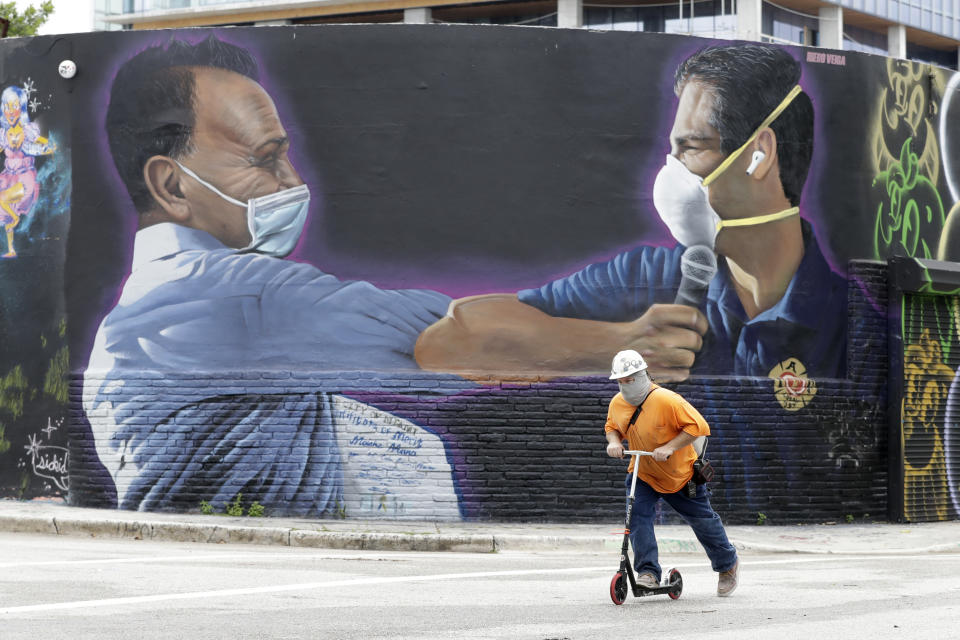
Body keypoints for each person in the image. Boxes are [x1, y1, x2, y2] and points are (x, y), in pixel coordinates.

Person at [82, 36, 460, 519]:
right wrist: (576, 314)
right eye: (265, 159)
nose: (293, 182)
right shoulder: (224, 296)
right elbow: (461, 337)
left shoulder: (142, 310)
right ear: (172, 185)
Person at [415, 43, 846, 383]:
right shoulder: (650, 278)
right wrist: (620, 346)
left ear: (760, 154)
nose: (669, 173)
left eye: (691, 148)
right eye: (671, 151)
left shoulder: (854, 325)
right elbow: (446, 342)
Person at [604, 349, 739, 596]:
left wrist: (669, 447)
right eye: (620, 381)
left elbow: (698, 427)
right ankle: (648, 573)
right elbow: (612, 426)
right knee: (637, 520)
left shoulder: (668, 400)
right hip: (643, 473)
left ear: (643, 375)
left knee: (703, 522)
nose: (625, 386)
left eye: (630, 380)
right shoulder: (617, 403)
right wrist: (613, 442)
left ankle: (727, 565)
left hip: (680, 475)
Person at [0, 85, 56, 258]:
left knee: (3, 200)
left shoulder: (27, 130)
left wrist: (50, 147)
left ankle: (18, 222)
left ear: (21, 108)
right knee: (8, 214)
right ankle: (11, 249)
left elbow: (42, 143)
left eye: (15, 106)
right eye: (7, 107)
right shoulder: (3, 133)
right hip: (8, 177)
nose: (11, 111)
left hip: (24, 178)